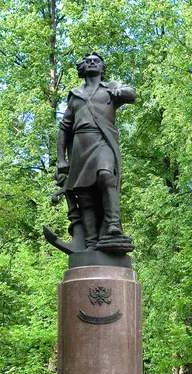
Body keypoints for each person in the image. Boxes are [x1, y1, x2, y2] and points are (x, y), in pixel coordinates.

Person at [54, 52, 135, 252]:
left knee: (106, 176)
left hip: (102, 142)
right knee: (85, 196)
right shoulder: (76, 95)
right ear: (82, 68)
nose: (91, 62)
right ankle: (91, 244)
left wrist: (121, 92)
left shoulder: (110, 88)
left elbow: (131, 94)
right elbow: (64, 127)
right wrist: (60, 159)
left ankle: (113, 224)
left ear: (102, 67)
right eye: (87, 61)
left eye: (96, 61)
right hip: (81, 146)